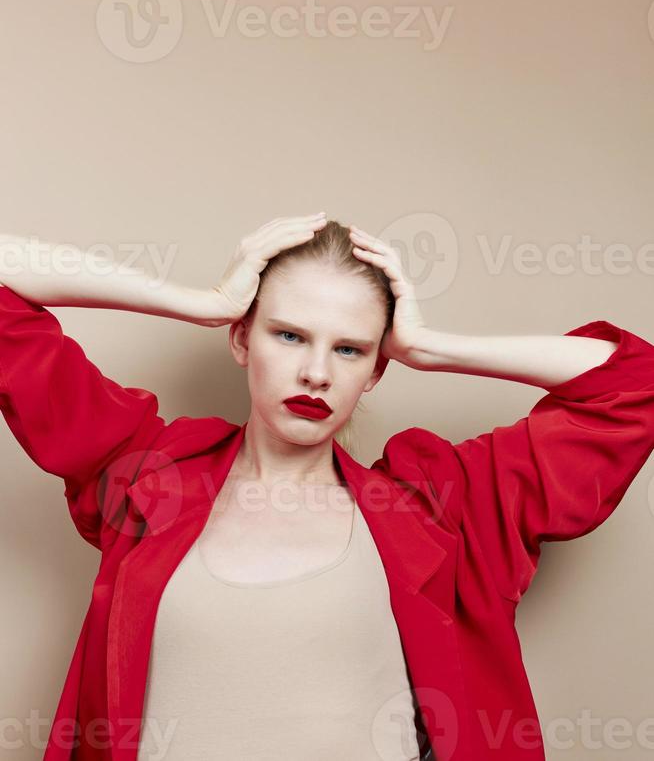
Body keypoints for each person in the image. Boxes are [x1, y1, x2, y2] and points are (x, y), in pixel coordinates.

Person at [1, 213, 653, 761]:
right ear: (242, 339)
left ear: (376, 370)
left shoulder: (442, 508)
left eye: (349, 349)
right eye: (288, 335)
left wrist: (428, 347)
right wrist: (202, 301)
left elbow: (634, 385)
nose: (315, 371)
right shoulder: (144, 476)